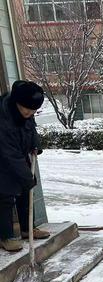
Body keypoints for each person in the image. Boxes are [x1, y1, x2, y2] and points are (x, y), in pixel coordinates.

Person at [0, 80, 50, 253]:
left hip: (18, 155)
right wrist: (27, 176)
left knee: (26, 190)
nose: (29, 114)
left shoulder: (26, 111)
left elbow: (31, 127)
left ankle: (27, 229)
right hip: (3, 159)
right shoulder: (3, 118)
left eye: (33, 111)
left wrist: (36, 144)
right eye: (27, 110)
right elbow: (9, 154)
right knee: (5, 197)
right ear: (16, 103)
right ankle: (6, 236)